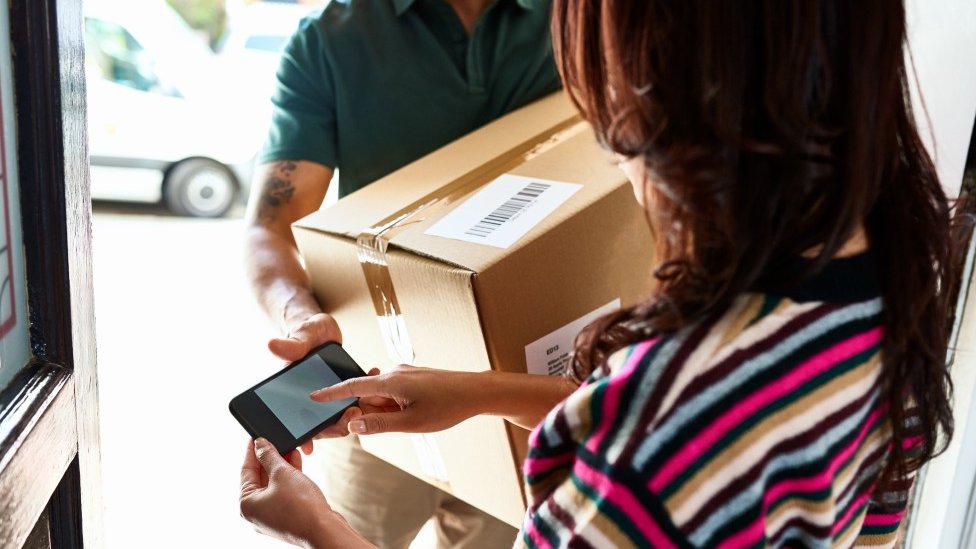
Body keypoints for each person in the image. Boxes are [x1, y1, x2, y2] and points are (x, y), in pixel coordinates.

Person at [240, 0, 959, 547]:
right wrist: (480, 393)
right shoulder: (900, 287)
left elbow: (661, 436)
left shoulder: (659, 433)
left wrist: (319, 529)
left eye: (602, 103)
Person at [243, 0, 561, 547]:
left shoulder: (579, 19)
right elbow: (270, 228)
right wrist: (299, 312)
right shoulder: (331, 40)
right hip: (376, 391)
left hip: (524, 392)